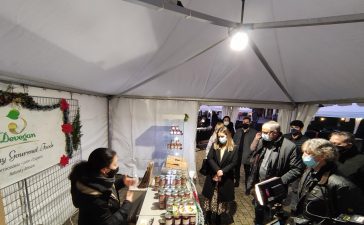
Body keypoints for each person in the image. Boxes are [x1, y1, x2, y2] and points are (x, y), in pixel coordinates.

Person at [293, 139, 364, 224]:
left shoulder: (341, 184)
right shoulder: (309, 170)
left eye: (309, 153)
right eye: (304, 152)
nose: (304, 156)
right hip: (304, 219)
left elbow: (351, 217)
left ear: (324, 155)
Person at [248, 121, 304, 225]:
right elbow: (253, 153)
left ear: (274, 133)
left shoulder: (289, 147)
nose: (262, 134)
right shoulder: (263, 141)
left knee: (272, 214)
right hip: (259, 184)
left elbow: (297, 169)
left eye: (265, 132)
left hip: (275, 188)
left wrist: (279, 182)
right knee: (258, 209)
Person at [69, 148, 135, 225]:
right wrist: (127, 203)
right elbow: (109, 223)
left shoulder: (96, 178)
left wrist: (122, 182)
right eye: (115, 164)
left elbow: (107, 189)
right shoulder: (94, 198)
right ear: (104, 170)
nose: (117, 166)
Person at [202, 126, 238, 225]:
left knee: (221, 199)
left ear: (227, 135)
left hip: (225, 178)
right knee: (210, 197)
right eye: (219, 136)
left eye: (222, 136)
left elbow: (234, 162)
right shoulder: (215, 145)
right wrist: (217, 170)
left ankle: (218, 217)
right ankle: (208, 216)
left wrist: (223, 171)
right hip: (213, 176)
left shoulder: (234, 148)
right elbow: (209, 158)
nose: (220, 138)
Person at [233, 116, 257, 189]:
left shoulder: (254, 132)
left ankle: (248, 185)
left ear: (249, 123)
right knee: (236, 169)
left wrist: (252, 154)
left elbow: (255, 144)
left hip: (247, 154)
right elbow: (234, 141)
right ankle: (236, 182)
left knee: (247, 172)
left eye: (247, 122)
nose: (245, 123)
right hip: (237, 153)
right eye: (243, 122)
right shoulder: (238, 131)